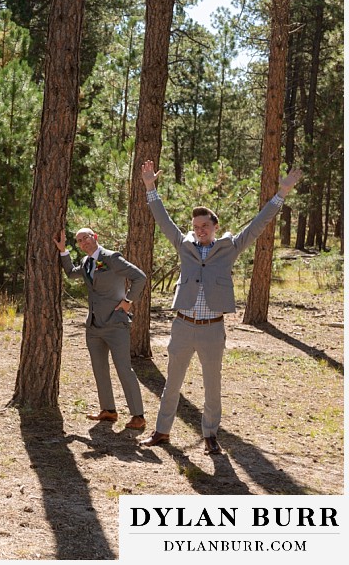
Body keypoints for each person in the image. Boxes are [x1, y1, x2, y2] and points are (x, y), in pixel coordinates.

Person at [138, 160, 303, 455]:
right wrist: (150, 187)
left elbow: (257, 225)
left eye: (205, 226)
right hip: (182, 325)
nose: (200, 230)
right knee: (172, 383)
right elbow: (163, 220)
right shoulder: (183, 244)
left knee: (212, 387)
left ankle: (210, 435)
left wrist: (282, 193)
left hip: (212, 329)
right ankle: (162, 431)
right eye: (196, 227)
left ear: (215, 227)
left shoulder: (229, 247)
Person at [55, 227, 147, 430]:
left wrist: (128, 301)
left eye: (86, 238)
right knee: (99, 369)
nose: (83, 242)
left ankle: (138, 416)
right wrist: (63, 251)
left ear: (95, 237)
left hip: (116, 323)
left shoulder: (111, 258)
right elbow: (71, 274)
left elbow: (140, 277)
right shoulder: (86, 262)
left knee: (124, 369)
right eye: (79, 240)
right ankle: (108, 410)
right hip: (94, 325)